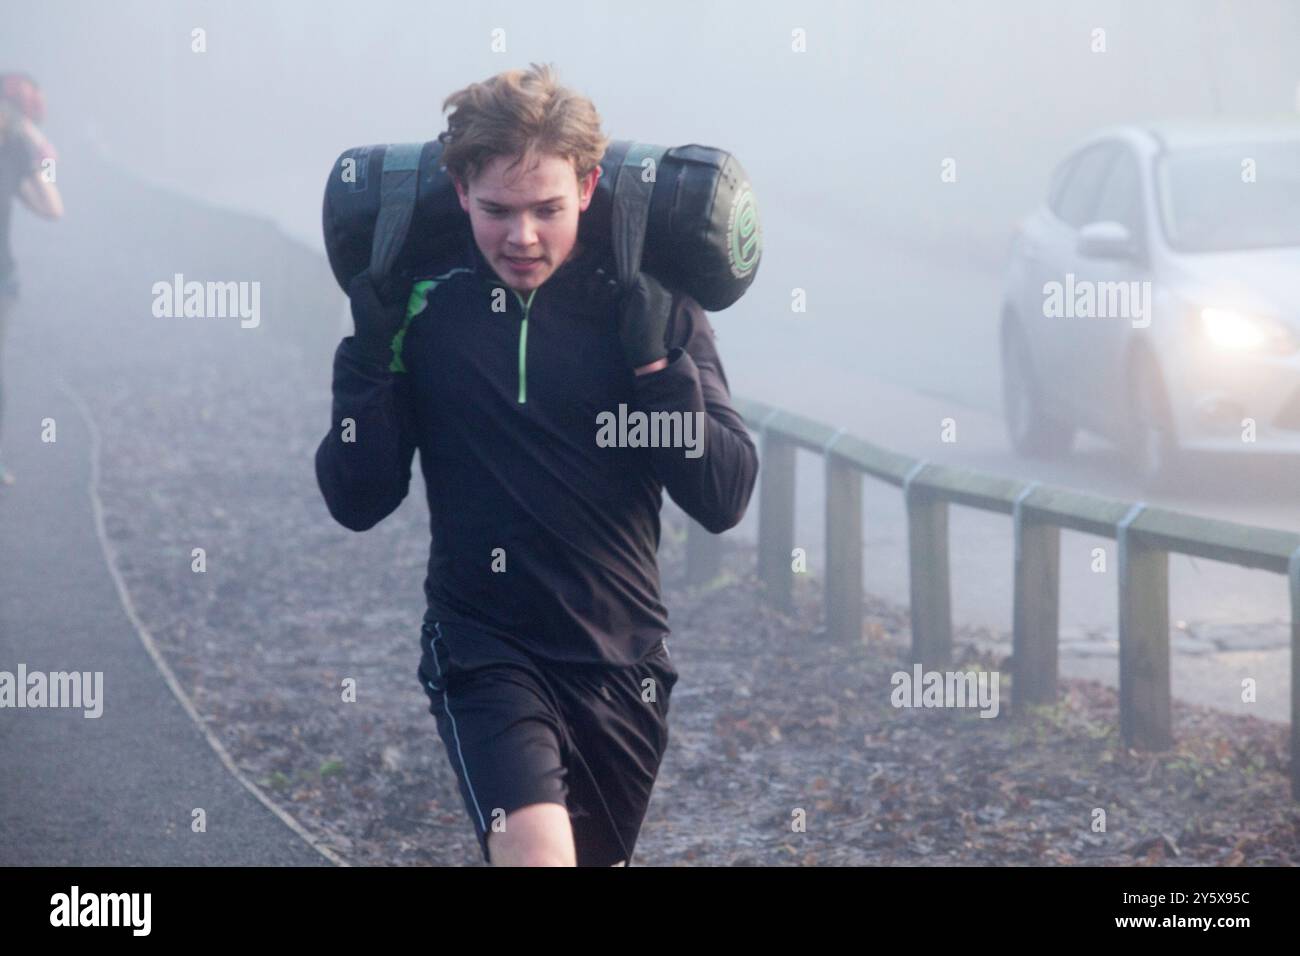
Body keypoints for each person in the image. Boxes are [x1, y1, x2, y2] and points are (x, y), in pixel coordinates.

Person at [315, 63, 758, 866]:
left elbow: (725, 494)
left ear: (588, 187)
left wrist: (660, 370)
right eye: (498, 211)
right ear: (459, 193)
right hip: (483, 648)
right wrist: (370, 362)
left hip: (625, 666)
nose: (522, 237)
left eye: (547, 209)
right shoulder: (421, 304)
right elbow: (357, 496)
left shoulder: (649, 300)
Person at [0, 72, 63, 487]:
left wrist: (35, 154)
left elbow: (51, 209)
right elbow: (53, 209)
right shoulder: (14, 150)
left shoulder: (14, 153)